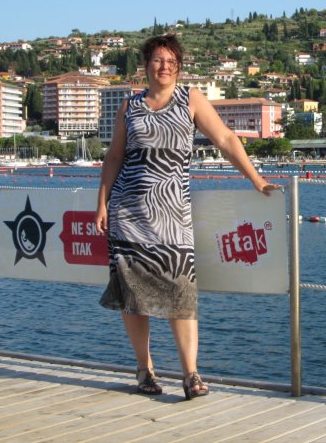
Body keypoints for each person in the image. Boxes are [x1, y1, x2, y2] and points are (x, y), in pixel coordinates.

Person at [94, 33, 280, 400]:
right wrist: (102, 203)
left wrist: (256, 179)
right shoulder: (129, 107)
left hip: (173, 218)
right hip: (128, 214)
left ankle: (191, 374)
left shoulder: (191, 99)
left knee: (182, 293)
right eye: (158, 60)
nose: (165, 67)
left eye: (171, 61)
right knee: (133, 297)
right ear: (146, 65)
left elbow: (226, 139)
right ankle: (144, 370)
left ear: (179, 67)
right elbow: (114, 157)